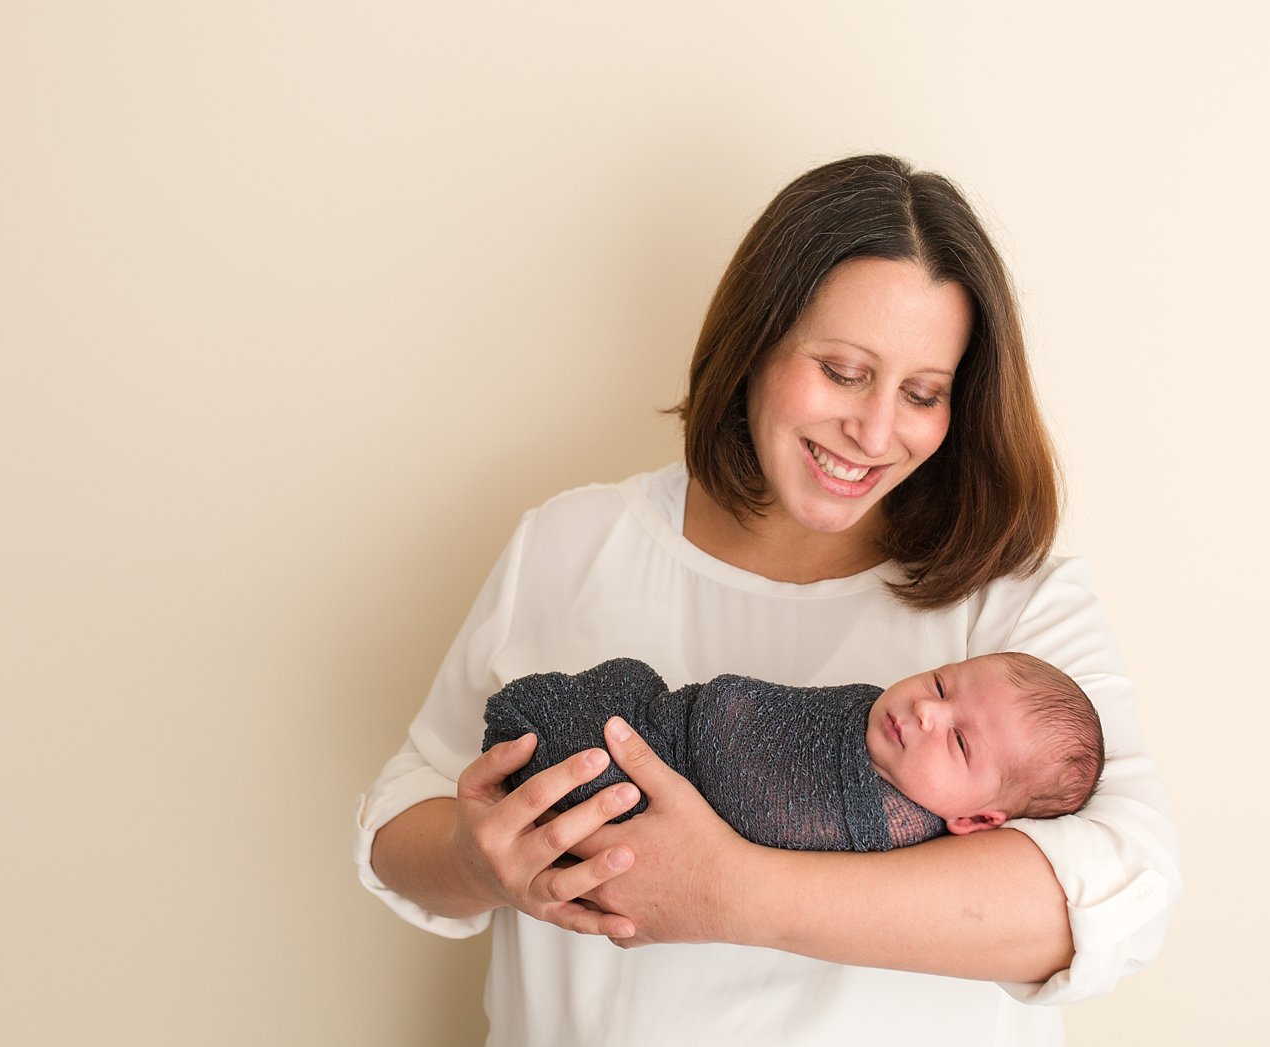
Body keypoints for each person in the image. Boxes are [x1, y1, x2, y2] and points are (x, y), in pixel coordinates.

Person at [356, 154, 1180, 1045]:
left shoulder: (1014, 600)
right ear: (756, 343)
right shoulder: (573, 542)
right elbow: (407, 816)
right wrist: (477, 861)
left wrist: (733, 889)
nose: (873, 432)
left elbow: (1117, 899)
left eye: (922, 393)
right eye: (842, 370)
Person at [482, 652, 1104, 851]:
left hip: (651, 779)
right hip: (661, 721)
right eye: (941, 684)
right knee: (613, 693)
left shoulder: (883, 826)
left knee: (569, 749)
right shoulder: (880, 723)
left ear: (971, 820)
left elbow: (756, 798)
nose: (926, 711)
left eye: (960, 741)